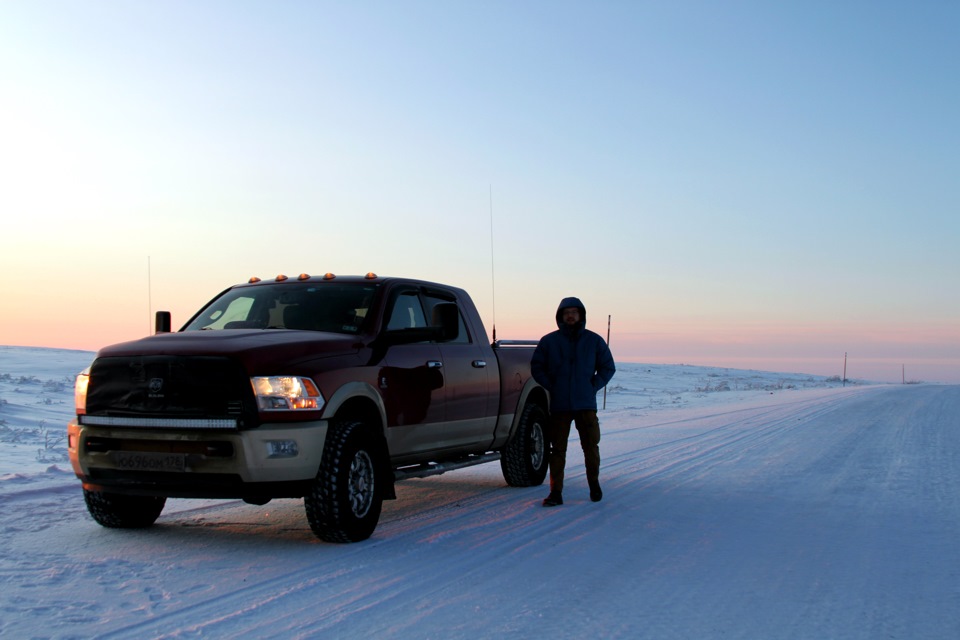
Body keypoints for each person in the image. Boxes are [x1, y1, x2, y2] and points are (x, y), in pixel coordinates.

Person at [531, 297, 615, 507]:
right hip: (560, 405)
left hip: (585, 404)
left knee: (591, 447)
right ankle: (555, 492)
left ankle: (594, 486)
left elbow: (608, 367)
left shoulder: (594, 340)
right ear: (560, 316)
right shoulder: (549, 341)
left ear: (581, 315)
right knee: (557, 450)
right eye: (566, 312)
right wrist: (552, 385)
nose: (570, 315)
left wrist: (592, 385)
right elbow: (537, 367)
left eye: (574, 312)